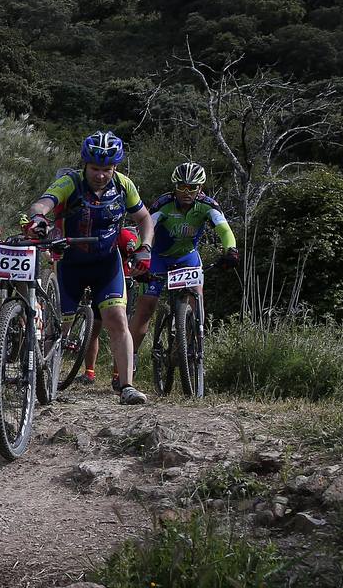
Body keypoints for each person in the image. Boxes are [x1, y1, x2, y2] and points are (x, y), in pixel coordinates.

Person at [25, 131, 155, 405]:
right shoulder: (70, 182)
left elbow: (144, 218)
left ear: (115, 167)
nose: (100, 175)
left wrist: (146, 247)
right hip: (70, 264)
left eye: (106, 169)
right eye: (95, 169)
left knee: (117, 319)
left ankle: (127, 386)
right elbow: (43, 202)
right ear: (85, 164)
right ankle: (43, 376)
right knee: (59, 328)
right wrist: (38, 218)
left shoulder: (123, 185)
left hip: (106, 264)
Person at [128, 161, 239, 356]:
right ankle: (127, 361)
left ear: (200, 188)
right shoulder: (163, 204)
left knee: (197, 299)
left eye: (192, 187)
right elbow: (147, 229)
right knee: (146, 308)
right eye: (182, 187)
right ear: (175, 187)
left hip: (187, 258)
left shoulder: (207, 205)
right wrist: (141, 255)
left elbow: (223, 229)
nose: (187, 192)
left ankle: (191, 345)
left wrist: (231, 249)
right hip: (158, 258)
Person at [78, 226, 140, 385]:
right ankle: (89, 372)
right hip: (100, 283)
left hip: (123, 284)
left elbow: (136, 252)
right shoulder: (92, 232)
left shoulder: (123, 234)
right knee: (94, 328)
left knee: (120, 329)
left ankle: (118, 376)